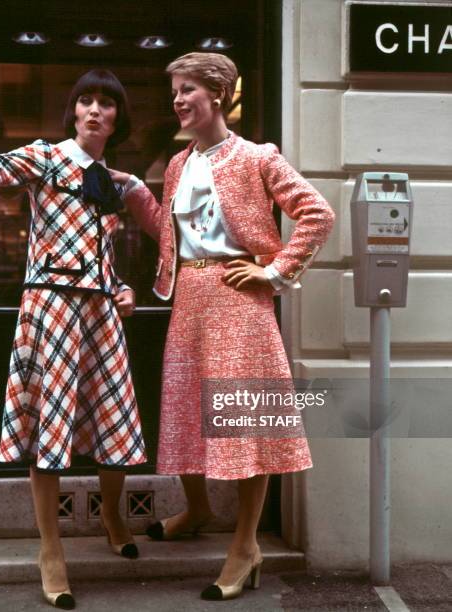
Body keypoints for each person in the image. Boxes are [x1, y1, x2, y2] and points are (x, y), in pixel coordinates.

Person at [0, 57, 146, 610]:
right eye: (86, 100)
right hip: (53, 308)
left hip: (102, 311)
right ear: (74, 111)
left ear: (116, 118)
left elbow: (101, 252)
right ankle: (51, 550)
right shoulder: (45, 157)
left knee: (112, 422)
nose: (94, 109)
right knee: (51, 428)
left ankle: (112, 514)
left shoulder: (112, 181)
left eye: (106, 102)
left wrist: (122, 286)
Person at [113, 52, 336, 601]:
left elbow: (318, 214)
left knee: (245, 420)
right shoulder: (176, 164)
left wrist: (275, 271)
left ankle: (245, 546)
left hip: (241, 301)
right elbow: (169, 230)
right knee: (188, 408)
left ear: (217, 95)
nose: (177, 100)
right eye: (174, 92)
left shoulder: (256, 157)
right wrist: (132, 191)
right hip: (188, 299)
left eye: (187, 89)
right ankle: (197, 508)